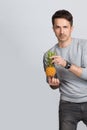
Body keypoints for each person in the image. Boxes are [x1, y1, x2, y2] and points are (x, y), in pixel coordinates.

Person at [43, 9, 87, 130]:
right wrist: (53, 84)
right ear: (53, 29)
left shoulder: (84, 46)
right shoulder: (48, 55)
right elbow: (52, 84)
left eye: (65, 27)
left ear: (71, 28)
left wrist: (66, 64)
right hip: (67, 105)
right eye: (57, 27)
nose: (62, 31)